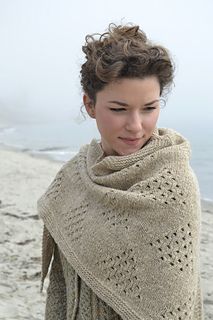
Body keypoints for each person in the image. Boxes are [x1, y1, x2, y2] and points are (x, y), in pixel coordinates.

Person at [37, 23, 204, 319]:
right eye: (119, 109)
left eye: (149, 108)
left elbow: (172, 303)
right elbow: (63, 283)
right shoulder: (73, 175)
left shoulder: (174, 188)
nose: (136, 125)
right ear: (90, 105)